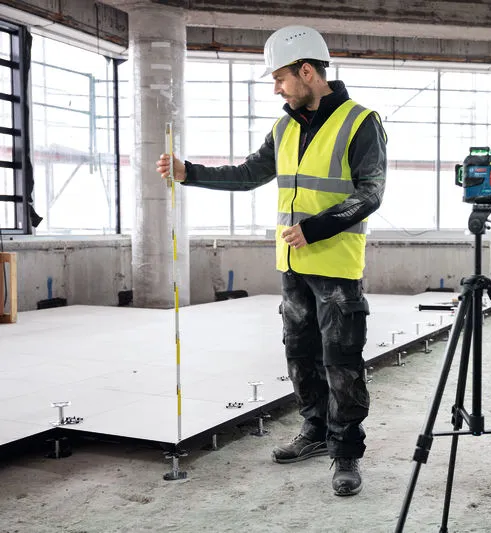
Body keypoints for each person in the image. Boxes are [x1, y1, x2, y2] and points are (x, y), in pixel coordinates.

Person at [155, 25, 387, 497]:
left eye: (280, 78)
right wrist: (189, 173)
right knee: (299, 355)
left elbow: (370, 193)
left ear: (308, 71)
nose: (276, 88)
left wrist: (316, 227)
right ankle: (315, 433)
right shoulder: (284, 127)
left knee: (341, 362)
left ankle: (346, 454)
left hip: (337, 268)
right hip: (292, 267)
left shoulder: (361, 122)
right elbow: (247, 174)